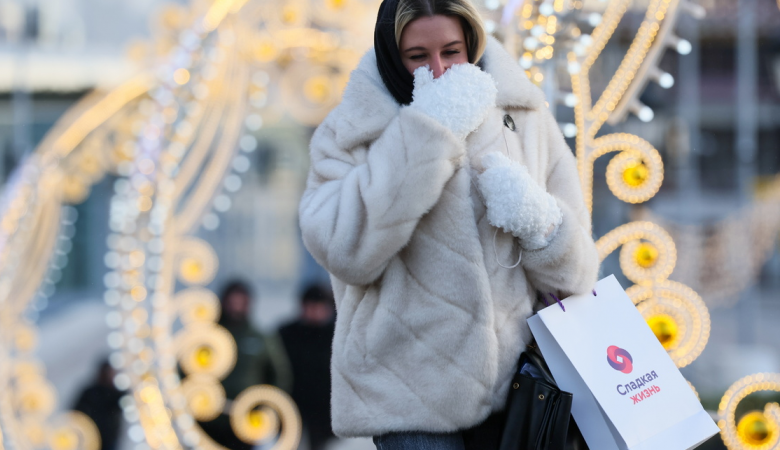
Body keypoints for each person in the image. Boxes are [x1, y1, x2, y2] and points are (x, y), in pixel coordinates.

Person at [297, 0, 601, 448]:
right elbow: (346, 254)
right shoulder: (348, 132)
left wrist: (538, 221)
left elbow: (577, 276)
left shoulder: (526, 117)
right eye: (418, 56)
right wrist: (426, 135)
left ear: (473, 44)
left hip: (518, 385)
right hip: (404, 391)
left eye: (452, 51)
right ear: (391, 53)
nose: (438, 70)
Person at [198, 280, 293, 450]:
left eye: (240, 301)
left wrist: (265, 407)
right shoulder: (207, 336)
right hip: (209, 418)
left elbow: (279, 375)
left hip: (245, 419)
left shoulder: (260, 337)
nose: (236, 306)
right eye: (232, 301)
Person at [278, 284, 337, 450]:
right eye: (312, 306)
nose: (316, 311)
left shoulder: (335, 334)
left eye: (320, 306)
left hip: (324, 408)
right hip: (292, 403)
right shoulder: (287, 333)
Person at [72, 360, 124, 450]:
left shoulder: (115, 394)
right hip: (92, 439)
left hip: (109, 440)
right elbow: (76, 413)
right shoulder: (91, 392)